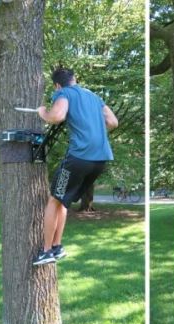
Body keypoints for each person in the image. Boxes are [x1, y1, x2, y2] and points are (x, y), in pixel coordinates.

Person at [32, 68, 118, 266]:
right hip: (100, 159)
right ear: (75, 80)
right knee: (62, 200)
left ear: (57, 85)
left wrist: (43, 111)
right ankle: (57, 247)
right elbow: (113, 122)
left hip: (79, 158)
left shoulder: (64, 93)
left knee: (54, 199)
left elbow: (57, 116)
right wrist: (92, 127)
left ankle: (46, 252)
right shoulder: (94, 97)